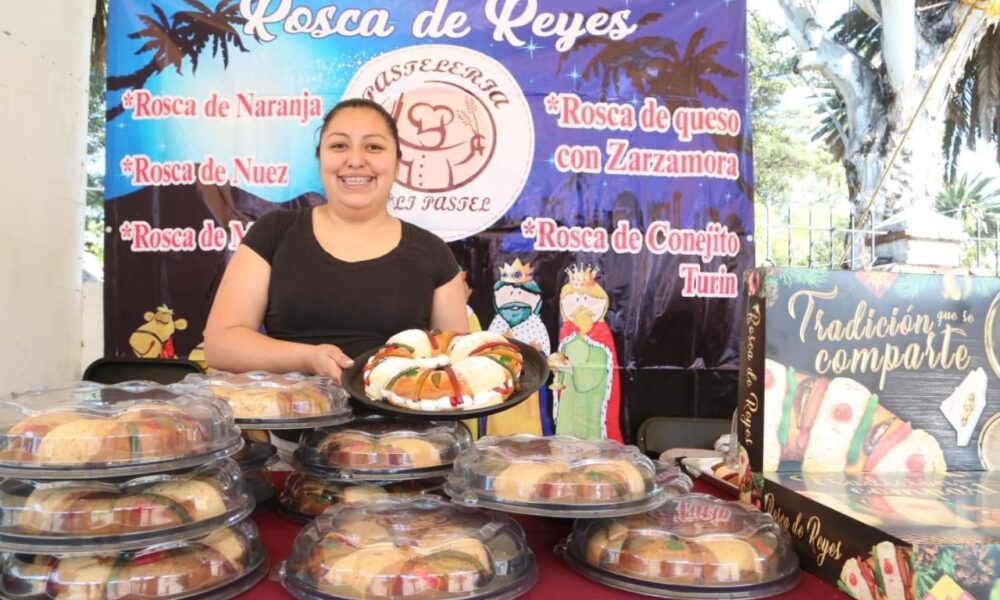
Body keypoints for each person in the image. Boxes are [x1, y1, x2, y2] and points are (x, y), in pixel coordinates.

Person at [204, 98, 469, 381]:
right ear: (320, 158)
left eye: (374, 147)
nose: (355, 160)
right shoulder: (273, 232)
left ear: (397, 162)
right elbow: (221, 345)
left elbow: (457, 366)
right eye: (339, 145)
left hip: (404, 425)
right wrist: (307, 358)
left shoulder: (433, 252)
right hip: (295, 418)